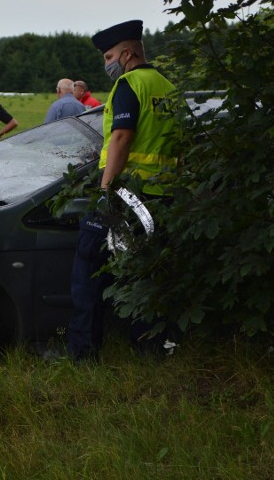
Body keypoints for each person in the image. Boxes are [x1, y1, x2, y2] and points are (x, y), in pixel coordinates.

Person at [64, 19, 180, 361]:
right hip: (162, 196)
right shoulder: (166, 86)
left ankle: (83, 355)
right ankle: (152, 349)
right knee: (146, 276)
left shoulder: (130, 85)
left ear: (128, 53)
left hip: (124, 197)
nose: (107, 63)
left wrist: (105, 189)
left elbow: (121, 136)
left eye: (110, 55)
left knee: (88, 271)